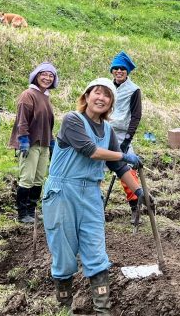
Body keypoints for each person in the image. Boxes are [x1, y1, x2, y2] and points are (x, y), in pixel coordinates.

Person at [43, 78, 145, 315]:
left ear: (111, 104)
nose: (101, 98)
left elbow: (119, 167)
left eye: (107, 95)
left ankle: (103, 310)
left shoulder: (108, 130)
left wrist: (139, 192)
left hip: (90, 193)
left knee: (96, 252)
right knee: (64, 254)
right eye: (97, 93)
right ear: (87, 96)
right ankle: (64, 309)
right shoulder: (72, 120)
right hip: (63, 192)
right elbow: (89, 150)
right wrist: (122, 155)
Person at [9, 62, 58, 224]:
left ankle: (32, 210)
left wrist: (51, 142)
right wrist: (23, 139)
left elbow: (47, 123)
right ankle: (22, 214)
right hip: (30, 143)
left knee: (38, 178)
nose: (47, 78)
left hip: (43, 143)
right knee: (27, 178)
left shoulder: (46, 96)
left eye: (51, 76)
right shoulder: (28, 95)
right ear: (36, 76)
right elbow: (22, 120)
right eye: (44, 74)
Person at [106, 51, 143, 224]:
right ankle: (94, 205)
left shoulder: (134, 90)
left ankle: (135, 207)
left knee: (127, 170)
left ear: (127, 71)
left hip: (122, 135)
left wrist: (127, 139)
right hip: (105, 130)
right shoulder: (106, 87)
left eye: (122, 69)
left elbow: (136, 116)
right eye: (116, 68)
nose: (119, 71)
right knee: (94, 167)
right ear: (112, 71)